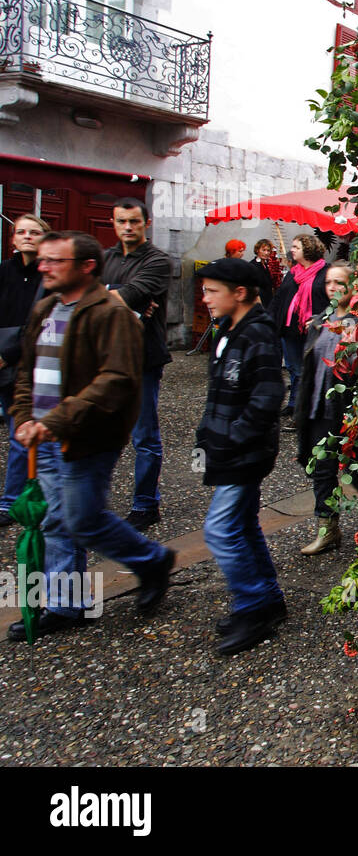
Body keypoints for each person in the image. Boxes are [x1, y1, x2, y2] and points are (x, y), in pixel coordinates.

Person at [6, 231, 175, 641]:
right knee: (54, 523)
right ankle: (67, 607)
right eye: (42, 259)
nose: (43, 266)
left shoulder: (109, 313)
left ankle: (152, 560)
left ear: (86, 267)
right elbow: (29, 371)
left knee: (82, 520)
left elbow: (116, 380)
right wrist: (24, 416)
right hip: (45, 437)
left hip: (86, 438)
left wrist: (59, 420)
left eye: (54, 261)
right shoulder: (45, 307)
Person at [195, 258, 287, 655]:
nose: (205, 298)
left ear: (241, 293)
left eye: (212, 291)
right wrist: (207, 436)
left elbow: (269, 396)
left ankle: (253, 607)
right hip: (229, 449)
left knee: (219, 530)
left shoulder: (259, 335)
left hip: (243, 453)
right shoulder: (230, 329)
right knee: (244, 526)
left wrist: (233, 437)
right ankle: (266, 599)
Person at [101, 197, 172, 531]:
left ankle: (146, 504)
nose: (127, 227)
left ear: (147, 223)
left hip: (143, 356)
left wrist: (112, 295)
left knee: (144, 436)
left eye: (133, 221)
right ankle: (95, 500)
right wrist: (116, 296)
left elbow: (129, 296)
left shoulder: (158, 260)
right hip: (105, 356)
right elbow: (95, 296)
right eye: (120, 221)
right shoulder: (107, 257)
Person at [295, 260, 358, 555]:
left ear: (353, 287)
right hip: (317, 406)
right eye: (328, 283)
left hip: (346, 408)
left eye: (340, 283)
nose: (333, 288)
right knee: (322, 470)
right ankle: (328, 530)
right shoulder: (319, 321)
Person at [0, 214, 53, 528]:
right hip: (4, 362)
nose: (27, 236)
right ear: (13, 238)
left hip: (31, 361)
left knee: (23, 432)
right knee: (16, 430)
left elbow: (40, 325)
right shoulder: (4, 272)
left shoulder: (48, 275)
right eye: (21, 231)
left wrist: (7, 354)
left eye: (34, 232)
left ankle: (11, 502)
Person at [269, 234, 329, 428]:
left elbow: (332, 301)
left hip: (314, 332)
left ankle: (305, 413)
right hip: (290, 331)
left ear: (308, 249)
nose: (292, 250)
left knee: (309, 371)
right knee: (295, 370)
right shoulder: (293, 273)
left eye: (296, 247)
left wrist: (319, 318)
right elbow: (279, 298)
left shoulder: (325, 273)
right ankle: (294, 403)